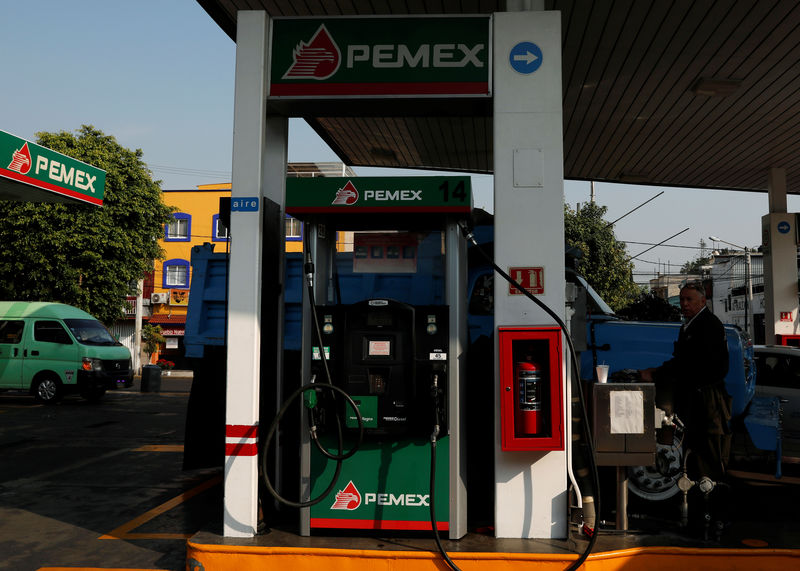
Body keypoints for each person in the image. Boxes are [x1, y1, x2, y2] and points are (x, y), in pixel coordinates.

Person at [639, 282, 732, 532]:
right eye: (681, 300)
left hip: (708, 400)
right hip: (695, 399)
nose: (684, 304)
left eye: (689, 299)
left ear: (703, 301)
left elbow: (688, 364)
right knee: (695, 456)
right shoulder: (689, 326)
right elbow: (683, 362)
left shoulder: (708, 325)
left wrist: (656, 373)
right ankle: (700, 515)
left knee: (711, 457)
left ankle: (716, 517)